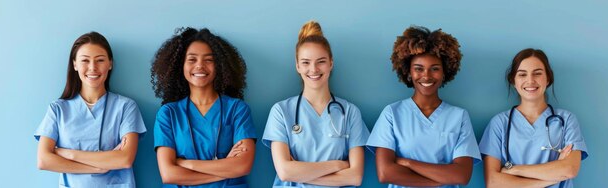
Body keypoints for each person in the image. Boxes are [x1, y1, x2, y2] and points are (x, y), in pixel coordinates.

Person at [366, 26, 481, 188]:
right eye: (418, 69)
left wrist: (408, 163)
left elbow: (461, 175)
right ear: (408, 72)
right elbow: (386, 173)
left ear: (445, 72)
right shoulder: (392, 113)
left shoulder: (459, 116)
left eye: (435, 69)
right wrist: (437, 182)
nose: (426, 76)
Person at [262, 20, 370, 187]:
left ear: (331, 63)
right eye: (306, 62)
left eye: (321, 61)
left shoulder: (349, 112)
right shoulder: (281, 111)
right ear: (297, 66)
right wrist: (338, 165)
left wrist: (298, 173)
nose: (313, 69)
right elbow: (285, 172)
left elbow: (354, 177)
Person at [35, 31, 147, 188]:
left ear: (110, 64)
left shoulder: (126, 107)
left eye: (100, 60)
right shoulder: (58, 109)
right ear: (75, 64)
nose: (92, 68)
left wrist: (68, 154)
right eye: (85, 61)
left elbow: (125, 159)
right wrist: (98, 167)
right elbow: (44, 160)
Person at [151, 27, 257, 188]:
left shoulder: (237, 109)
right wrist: (225, 167)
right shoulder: (168, 114)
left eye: (209, 60)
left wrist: (187, 164)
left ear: (220, 66)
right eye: (192, 60)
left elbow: (242, 166)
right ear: (181, 66)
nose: (200, 66)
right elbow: (169, 174)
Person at [479, 48, 588, 188]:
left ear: (548, 78)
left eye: (537, 73)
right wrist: (552, 179)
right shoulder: (500, 123)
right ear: (513, 80)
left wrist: (514, 169)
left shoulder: (566, 120)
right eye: (522, 75)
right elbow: (493, 182)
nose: (530, 80)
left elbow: (570, 169)